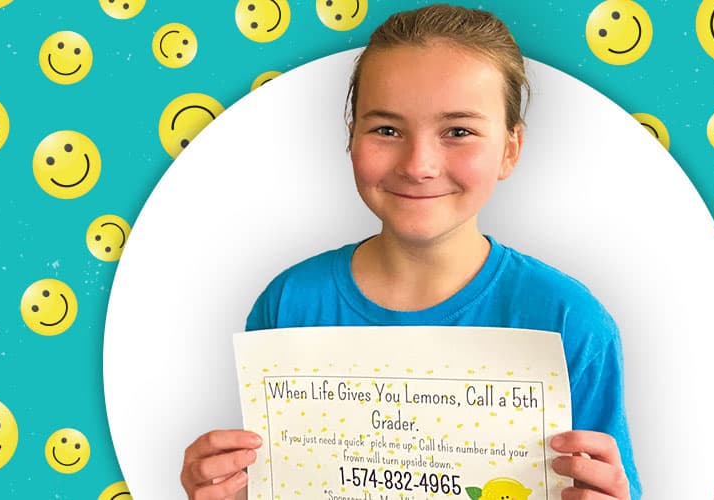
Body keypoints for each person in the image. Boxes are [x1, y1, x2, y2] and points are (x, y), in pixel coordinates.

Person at [180, 5, 641, 499]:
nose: (419, 164)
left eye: (458, 132)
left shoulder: (569, 321)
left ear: (511, 149)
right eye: (386, 130)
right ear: (350, 138)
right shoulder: (290, 302)